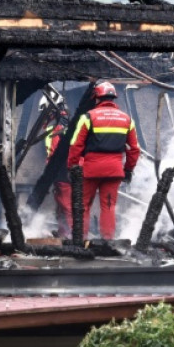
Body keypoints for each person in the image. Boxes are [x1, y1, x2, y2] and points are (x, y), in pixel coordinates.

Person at [67, 81, 140, 240]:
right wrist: (128, 170)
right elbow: (134, 149)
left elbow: (76, 145)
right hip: (114, 171)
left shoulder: (88, 117)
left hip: (90, 170)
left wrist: (72, 166)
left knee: (83, 207)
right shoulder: (127, 120)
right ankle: (107, 241)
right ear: (113, 98)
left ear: (97, 98)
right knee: (108, 207)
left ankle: (80, 241)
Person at [44, 106, 72, 237]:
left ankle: (72, 235)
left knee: (66, 205)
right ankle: (64, 233)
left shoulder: (58, 130)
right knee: (62, 205)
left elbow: (54, 152)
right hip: (67, 171)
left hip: (63, 172)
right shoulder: (69, 128)